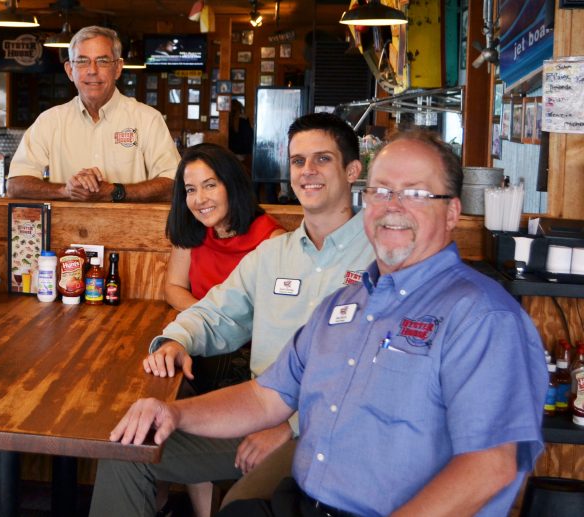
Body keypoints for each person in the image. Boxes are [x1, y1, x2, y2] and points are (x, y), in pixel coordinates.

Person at [110, 130, 548, 517]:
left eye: (414, 193)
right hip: (308, 496)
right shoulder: (346, 304)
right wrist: (172, 410)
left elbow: (492, 464)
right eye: (381, 192)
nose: (392, 207)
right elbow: (266, 397)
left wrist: (287, 430)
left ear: (452, 212)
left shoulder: (482, 315)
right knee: (128, 452)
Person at [89, 113, 376, 517]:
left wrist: (289, 429)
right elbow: (216, 314)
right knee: (128, 451)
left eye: (322, 159)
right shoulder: (273, 255)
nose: (307, 171)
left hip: (337, 436)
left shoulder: (383, 256)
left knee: (242, 508)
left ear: (352, 170)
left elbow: (380, 377)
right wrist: (176, 340)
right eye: (297, 161)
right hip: (256, 412)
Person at [6, 26, 180, 202]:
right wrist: (66, 191)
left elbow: (174, 186)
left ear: (118, 68)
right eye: (82, 61)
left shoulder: (148, 120)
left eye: (102, 61)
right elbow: (15, 186)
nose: (92, 70)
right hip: (66, 229)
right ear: (69, 70)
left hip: (130, 228)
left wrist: (115, 192)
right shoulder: (49, 121)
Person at [164, 143, 284, 311]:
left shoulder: (273, 239)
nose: (199, 199)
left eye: (210, 185)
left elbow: (278, 310)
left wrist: (219, 324)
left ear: (232, 185)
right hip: (201, 329)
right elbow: (173, 286)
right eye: (191, 190)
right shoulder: (191, 227)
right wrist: (207, 319)